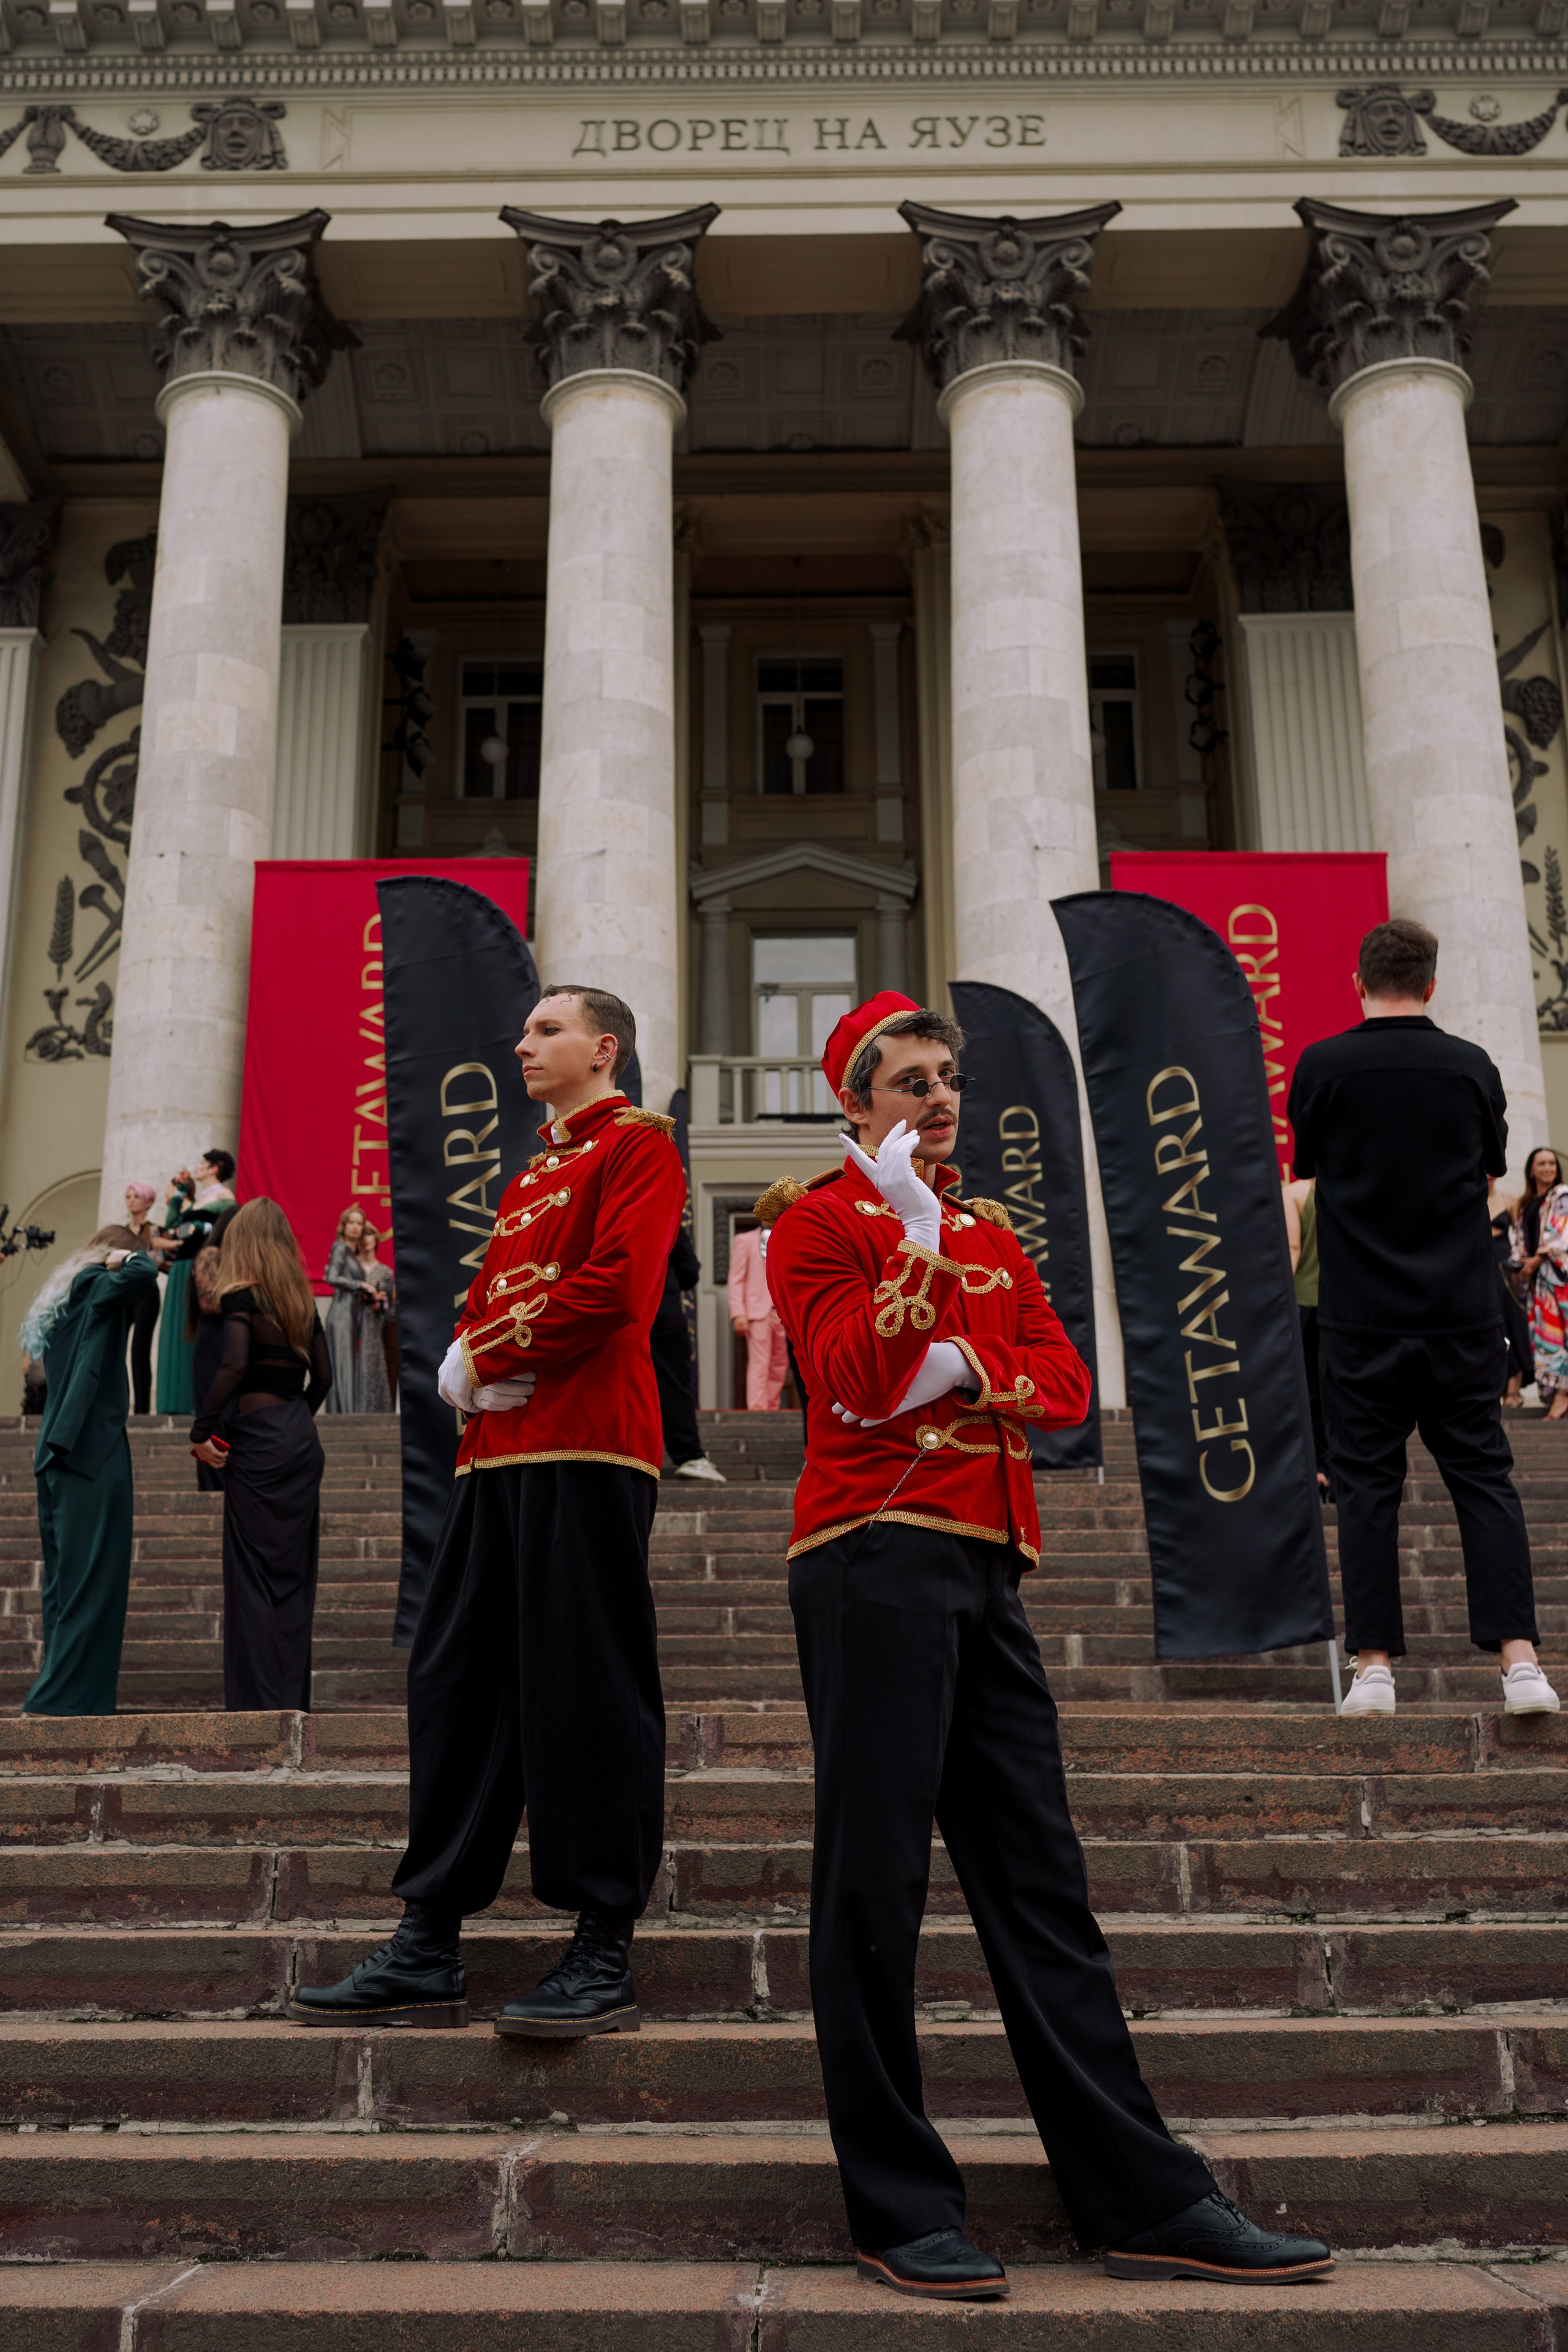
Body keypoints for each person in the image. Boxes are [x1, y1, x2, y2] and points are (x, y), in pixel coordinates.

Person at [760, 987, 1332, 2301]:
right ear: (853, 1102)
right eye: (909, 1083)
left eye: (947, 1077)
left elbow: (1064, 1388)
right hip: (867, 1556)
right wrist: (925, 1280)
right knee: (873, 1887)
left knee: (1041, 1887)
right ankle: (895, 2206)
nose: (940, 1098)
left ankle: (1137, 2193)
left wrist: (959, 1361)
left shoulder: (986, 1229)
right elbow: (850, 1382)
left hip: (980, 1561)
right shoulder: (816, 1222)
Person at [287, 984, 687, 2038]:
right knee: (455, 1682)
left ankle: (603, 1940)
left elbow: (619, 1288)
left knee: (588, 1687)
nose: (522, 1041)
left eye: (546, 1029)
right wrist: (467, 1364)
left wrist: (489, 1353)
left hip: (590, 1444)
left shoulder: (640, 1146)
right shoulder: (536, 1170)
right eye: (524, 1027)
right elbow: (500, 1295)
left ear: (604, 1048)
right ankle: (430, 1937)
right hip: (496, 1453)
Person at [1287, 919, 1558, 1719]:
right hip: (1459, 1312)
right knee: (1484, 1478)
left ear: (1357, 980)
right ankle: (1521, 1662)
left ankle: (1373, 1669)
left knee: (1368, 1487)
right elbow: (1493, 1168)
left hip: (1360, 1314)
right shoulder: (1471, 1066)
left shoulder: (1323, 1066)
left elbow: (1307, 1167)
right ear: (1432, 983)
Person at [189, 1197, 331, 1711]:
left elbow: (232, 1365)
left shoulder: (240, 1295)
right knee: (295, 1582)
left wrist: (200, 1431)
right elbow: (326, 1378)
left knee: (251, 1579)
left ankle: (254, 1709)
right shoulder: (301, 1297)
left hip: (258, 1440)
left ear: (241, 1241)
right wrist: (295, 1420)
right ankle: (291, 1705)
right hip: (298, 1438)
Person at [19, 1227, 158, 1715]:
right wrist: (124, 1256)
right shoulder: (101, 1285)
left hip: (57, 1451)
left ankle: (69, 1697)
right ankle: (59, 1701)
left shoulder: (70, 1295)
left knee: (64, 1587)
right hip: (89, 1450)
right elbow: (146, 1273)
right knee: (93, 1585)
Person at [156, 1151, 237, 1415]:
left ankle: (193, 1402)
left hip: (201, 1267)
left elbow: (224, 1230)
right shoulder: (201, 1198)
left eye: (203, 1164)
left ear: (214, 1168)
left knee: (194, 1330)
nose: (198, 1167)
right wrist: (180, 1189)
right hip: (181, 1267)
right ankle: (172, 1402)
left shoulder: (225, 1197)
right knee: (176, 1330)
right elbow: (172, 1225)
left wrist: (197, 1230)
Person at [652, 1226, 725, 1482]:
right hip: (661, 1307)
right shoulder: (666, 1216)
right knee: (673, 1384)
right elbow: (689, 1270)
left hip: (615, 1313)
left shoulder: (606, 1211)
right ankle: (690, 1457)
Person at [1511, 1147, 1568, 1420]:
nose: (1548, 1168)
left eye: (1552, 1164)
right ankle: (1557, 1396)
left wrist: (1537, 1259)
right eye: (1541, 1164)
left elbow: (1559, 1232)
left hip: (1560, 1280)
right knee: (1546, 1339)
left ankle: (1562, 1398)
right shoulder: (1526, 1203)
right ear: (1531, 1170)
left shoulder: (1562, 1195)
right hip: (1539, 1284)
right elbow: (1521, 1240)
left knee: (1562, 1337)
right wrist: (1521, 1263)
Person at [1283, 1175, 1329, 1497]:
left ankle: (1317, 1468)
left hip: (1304, 1302)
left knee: (1309, 1390)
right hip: (1342, 1304)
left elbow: (1293, 1248)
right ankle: (1338, 1466)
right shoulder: (1345, 1189)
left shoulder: (1295, 1194)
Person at [188, 1205, 240, 1492]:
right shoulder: (212, 1254)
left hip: (231, 1342)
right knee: (213, 1417)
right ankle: (210, 1487)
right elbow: (209, 1303)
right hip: (214, 1343)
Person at [727, 1218, 788, 1409]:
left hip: (781, 1313)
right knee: (759, 1362)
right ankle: (758, 1409)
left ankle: (772, 1406)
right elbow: (736, 1279)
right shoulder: (744, 1240)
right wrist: (738, 1313)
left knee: (780, 1363)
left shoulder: (785, 1238)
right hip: (757, 1311)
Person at [1490, 1177, 1535, 1407]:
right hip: (1476, 1265)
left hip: (1504, 1266)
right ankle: (1491, 1388)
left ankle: (1513, 1389)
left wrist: (1524, 1265)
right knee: (1489, 1328)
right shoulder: (1467, 1199)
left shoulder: (1510, 1199)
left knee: (1511, 1322)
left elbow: (1521, 1236)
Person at [324, 1205, 371, 1412]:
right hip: (342, 1314)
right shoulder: (340, 1248)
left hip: (352, 1314)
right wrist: (361, 1285)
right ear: (344, 1226)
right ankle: (343, 1416)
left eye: (359, 1223)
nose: (355, 1227)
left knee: (347, 1365)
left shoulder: (352, 1253)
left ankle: (345, 1413)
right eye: (351, 1222)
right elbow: (331, 1278)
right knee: (342, 1366)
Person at [124, 1182, 162, 1415]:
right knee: (117, 1349)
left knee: (140, 1350)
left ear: (147, 1201)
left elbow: (163, 1262)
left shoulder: (156, 1231)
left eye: (136, 1196)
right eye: (128, 1196)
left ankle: (142, 1411)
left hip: (147, 1293)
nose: (131, 1200)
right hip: (125, 1293)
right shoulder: (120, 1231)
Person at [355, 1223, 396, 1413]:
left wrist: (381, 1303)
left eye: (370, 1234)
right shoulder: (352, 1268)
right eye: (363, 1235)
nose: (366, 1239)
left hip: (375, 1328)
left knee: (374, 1368)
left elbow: (390, 1313)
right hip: (353, 1325)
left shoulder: (386, 1272)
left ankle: (376, 1411)